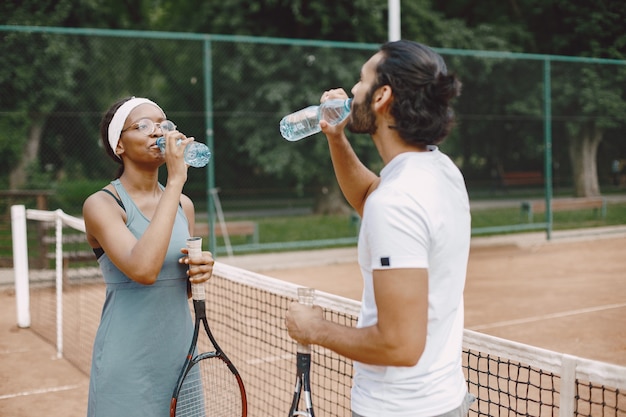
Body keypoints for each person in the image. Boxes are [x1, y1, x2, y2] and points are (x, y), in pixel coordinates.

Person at [285, 40, 474, 417]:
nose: (352, 90)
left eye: (362, 79)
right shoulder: (439, 169)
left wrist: (315, 329)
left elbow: (399, 346)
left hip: (399, 409)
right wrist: (336, 138)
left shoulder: (398, 200)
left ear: (381, 96)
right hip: (441, 399)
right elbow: (372, 197)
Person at [83, 96, 214, 416]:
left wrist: (199, 270)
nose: (157, 131)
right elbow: (143, 270)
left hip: (180, 358)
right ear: (119, 146)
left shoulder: (184, 205)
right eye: (143, 125)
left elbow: (177, 289)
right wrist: (177, 179)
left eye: (162, 123)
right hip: (127, 362)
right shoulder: (102, 205)